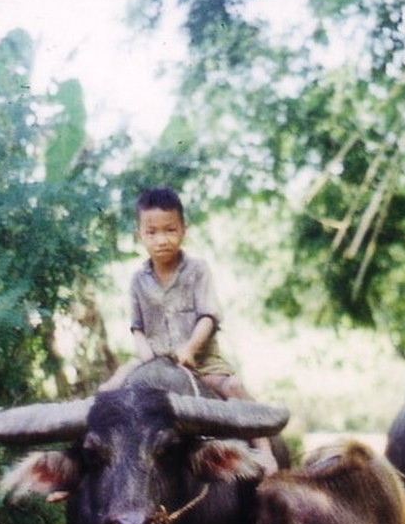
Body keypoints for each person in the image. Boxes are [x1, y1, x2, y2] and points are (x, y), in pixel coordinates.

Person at [100, 186, 278, 473]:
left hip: (200, 360)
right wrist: (145, 354)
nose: (161, 239)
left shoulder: (198, 270)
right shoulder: (137, 280)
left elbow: (208, 316)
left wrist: (190, 349)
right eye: (152, 232)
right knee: (108, 390)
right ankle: (86, 467)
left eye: (170, 230)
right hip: (153, 358)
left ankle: (266, 452)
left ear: (184, 230)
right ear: (140, 235)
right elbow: (137, 326)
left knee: (232, 387)